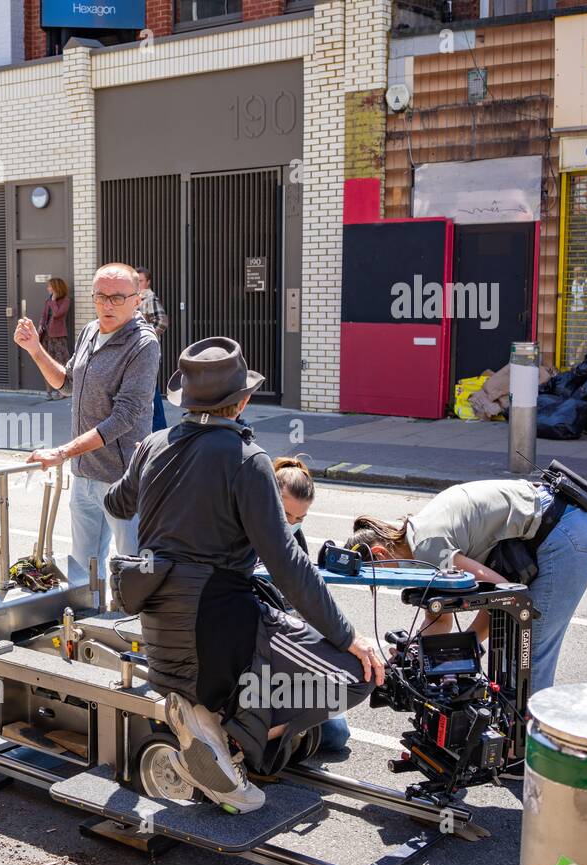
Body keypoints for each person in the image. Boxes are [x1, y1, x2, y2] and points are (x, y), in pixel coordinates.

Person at [104, 338, 381, 811]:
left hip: (162, 637)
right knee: (360, 673)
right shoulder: (246, 459)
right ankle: (232, 738)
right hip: (217, 633)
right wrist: (349, 634)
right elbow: (288, 565)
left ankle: (214, 730)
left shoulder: (152, 446)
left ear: (185, 400)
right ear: (244, 400)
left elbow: (115, 502)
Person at [345, 479, 587, 696]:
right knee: (512, 656)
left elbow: (504, 593)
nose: (386, 586)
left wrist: (456, 652)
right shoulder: (418, 538)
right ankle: (515, 740)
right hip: (552, 522)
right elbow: (440, 621)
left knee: (526, 656)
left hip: (565, 532)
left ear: (379, 553)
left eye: (378, 580)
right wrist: (419, 652)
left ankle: (527, 751)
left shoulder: (427, 547)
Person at [15, 263, 159, 586]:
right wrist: (35, 350)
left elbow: (124, 418)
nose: (107, 304)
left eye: (117, 297)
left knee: (131, 573)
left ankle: (131, 633)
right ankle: (85, 631)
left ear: (137, 299)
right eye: (101, 296)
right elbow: (67, 382)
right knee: (84, 574)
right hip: (83, 476)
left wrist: (62, 453)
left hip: (122, 480)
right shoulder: (90, 331)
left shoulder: (144, 344)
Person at [269, 456, 350, 752]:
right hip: (267, 644)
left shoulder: (297, 540)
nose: (292, 524)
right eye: (286, 515)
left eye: (300, 519)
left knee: (336, 735)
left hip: (294, 641)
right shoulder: (248, 533)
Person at [137, 267, 170, 433]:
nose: (139, 283)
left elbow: (162, 321)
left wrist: (146, 337)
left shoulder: (149, 298)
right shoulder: (136, 297)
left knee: (152, 392)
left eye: (141, 281)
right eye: (136, 281)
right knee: (149, 390)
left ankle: (159, 429)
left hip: (146, 353)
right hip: (140, 353)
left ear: (148, 282)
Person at [37, 277, 71, 400]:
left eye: (50, 286)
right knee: (46, 363)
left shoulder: (65, 301)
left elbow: (57, 314)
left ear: (56, 288)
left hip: (58, 336)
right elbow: (43, 316)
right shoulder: (48, 301)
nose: (48, 288)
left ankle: (63, 391)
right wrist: (40, 325)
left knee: (61, 362)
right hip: (46, 337)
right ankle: (48, 392)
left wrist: (53, 300)